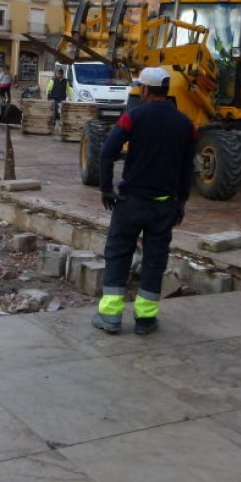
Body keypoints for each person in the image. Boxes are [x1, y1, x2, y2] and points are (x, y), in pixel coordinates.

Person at [92, 67, 198, 336]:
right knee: (154, 260)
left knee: (118, 254)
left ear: (145, 90)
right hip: (164, 205)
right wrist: (181, 201)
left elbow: (107, 152)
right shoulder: (186, 124)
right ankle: (146, 320)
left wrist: (106, 189)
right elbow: (188, 168)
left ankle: (110, 317)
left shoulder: (133, 117)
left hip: (131, 202)